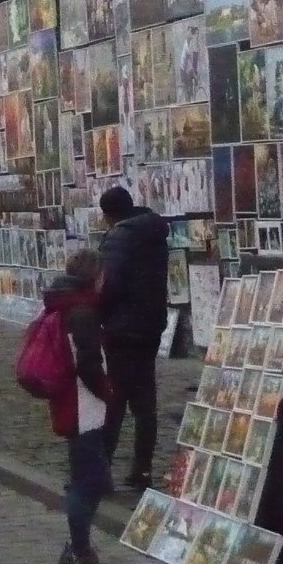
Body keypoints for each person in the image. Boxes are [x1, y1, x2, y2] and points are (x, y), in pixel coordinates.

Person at [44, 249, 119, 564]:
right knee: (88, 482)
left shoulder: (66, 304)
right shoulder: (82, 312)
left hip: (74, 404)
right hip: (82, 406)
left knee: (88, 477)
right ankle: (81, 554)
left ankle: (77, 548)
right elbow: (88, 364)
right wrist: (108, 392)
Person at [96, 186, 169, 492]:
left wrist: (98, 314)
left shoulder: (120, 237)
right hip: (150, 326)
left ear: (108, 213)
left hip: (122, 329)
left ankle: (100, 471)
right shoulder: (154, 231)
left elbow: (110, 284)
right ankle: (142, 468)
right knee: (144, 403)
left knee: (113, 401)